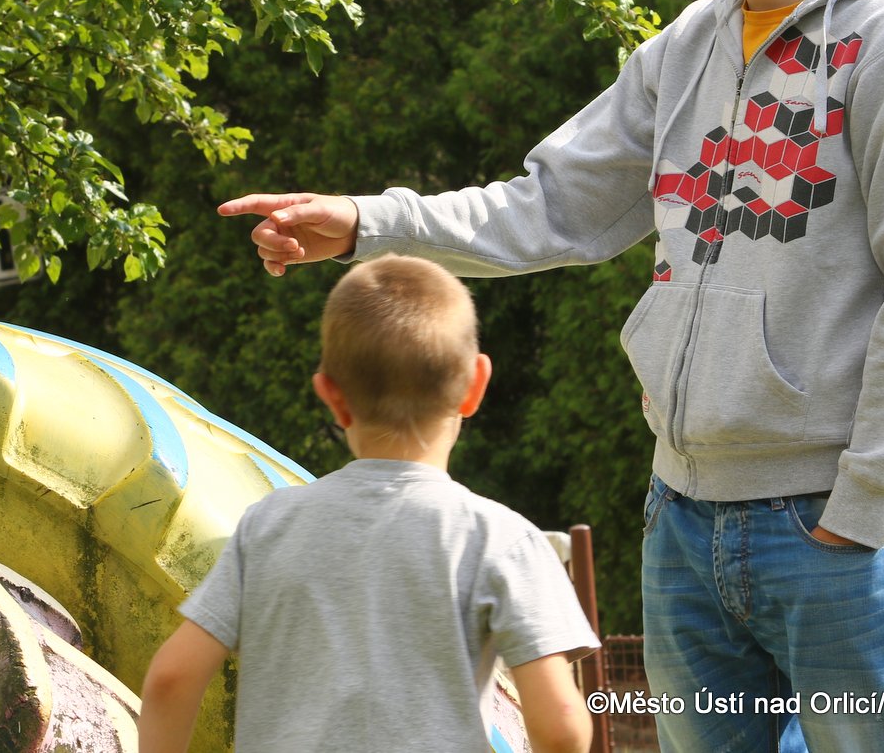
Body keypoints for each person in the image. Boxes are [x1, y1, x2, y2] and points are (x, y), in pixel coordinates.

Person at [219, 0, 884, 753]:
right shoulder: (688, 48)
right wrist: (368, 223)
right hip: (683, 520)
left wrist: (862, 508)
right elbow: (549, 207)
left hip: (840, 532)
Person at [138, 255, 598, 753]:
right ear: (475, 385)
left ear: (331, 395)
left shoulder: (267, 526)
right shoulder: (504, 541)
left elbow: (171, 679)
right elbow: (561, 726)